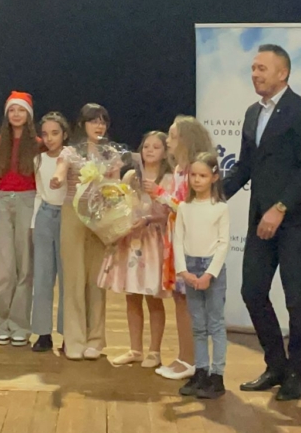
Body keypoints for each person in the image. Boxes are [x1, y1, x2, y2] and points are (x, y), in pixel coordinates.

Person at [223, 44, 301, 402]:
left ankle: (297, 374)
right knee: (252, 291)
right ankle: (276, 365)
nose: (255, 74)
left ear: (283, 73)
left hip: (294, 222)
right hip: (259, 221)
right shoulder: (252, 113)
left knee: (295, 299)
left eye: (262, 68)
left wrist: (280, 207)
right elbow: (244, 167)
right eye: (253, 68)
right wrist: (209, 196)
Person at [51, 103, 122, 360]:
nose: (99, 125)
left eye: (103, 121)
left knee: (96, 279)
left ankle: (95, 340)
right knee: (73, 278)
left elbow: (116, 185)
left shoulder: (111, 153)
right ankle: (74, 340)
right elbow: (60, 171)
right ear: (82, 125)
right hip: (73, 214)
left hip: (100, 216)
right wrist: (57, 178)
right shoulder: (71, 151)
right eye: (94, 121)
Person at [99, 131, 172, 368]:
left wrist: (151, 213)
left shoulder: (168, 178)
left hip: (153, 242)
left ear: (165, 153)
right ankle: (135, 349)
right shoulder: (131, 176)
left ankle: (154, 351)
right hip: (131, 240)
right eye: (146, 146)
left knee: (153, 298)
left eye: (156, 147)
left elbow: (170, 211)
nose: (150, 150)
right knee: (132, 297)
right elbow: (119, 203)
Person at [156, 115, 216, 380]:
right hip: (176, 241)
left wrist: (160, 195)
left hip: (193, 245)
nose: (168, 141)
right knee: (180, 301)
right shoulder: (180, 170)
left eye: (173, 136)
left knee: (190, 304)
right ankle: (184, 357)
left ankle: (192, 360)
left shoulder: (195, 171)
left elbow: (190, 208)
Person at [174, 153, 231, 400]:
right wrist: (183, 270)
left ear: (214, 177)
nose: (197, 180)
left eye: (203, 176)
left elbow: (223, 243)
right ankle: (200, 370)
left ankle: (217, 375)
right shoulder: (184, 208)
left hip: (211, 269)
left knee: (215, 323)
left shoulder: (220, 208)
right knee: (197, 324)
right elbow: (178, 240)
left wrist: (209, 273)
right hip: (190, 267)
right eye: (193, 175)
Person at [0, 91, 40, 347]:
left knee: (25, 267)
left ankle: (20, 326)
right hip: (2, 202)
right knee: (3, 269)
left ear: (28, 115)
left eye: (21, 110)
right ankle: (2, 325)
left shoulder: (38, 144)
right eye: (12, 110)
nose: (16, 114)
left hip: (28, 200)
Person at [30, 112, 69, 353]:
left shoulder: (71, 157)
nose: (50, 138)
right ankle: (43, 333)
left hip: (67, 216)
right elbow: (38, 192)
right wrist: (34, 224)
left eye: (55, 133)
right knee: (42, 276)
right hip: (45, 215)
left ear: (64, 134)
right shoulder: (38, 160)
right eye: (45, 134)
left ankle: (68, 333)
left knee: (67, 278)